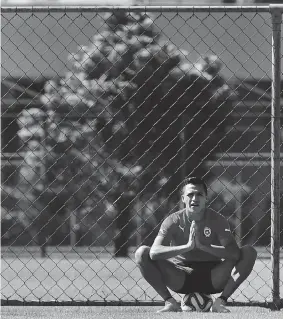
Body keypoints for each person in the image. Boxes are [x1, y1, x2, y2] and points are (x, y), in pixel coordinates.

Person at [135, 176, 257, 313]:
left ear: (206, 199)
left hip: (213, 276)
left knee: (249, 252)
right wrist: (187, 247)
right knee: (142, 253)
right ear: (183, 199)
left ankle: (220, 302)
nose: (194, 198)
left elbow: (234, 253)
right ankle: (170, 302)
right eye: (190, 194)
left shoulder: (218, 219)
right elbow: (154, 252)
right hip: (180, 276)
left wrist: (204, 247)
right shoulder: (173, 220)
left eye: (199, 194)